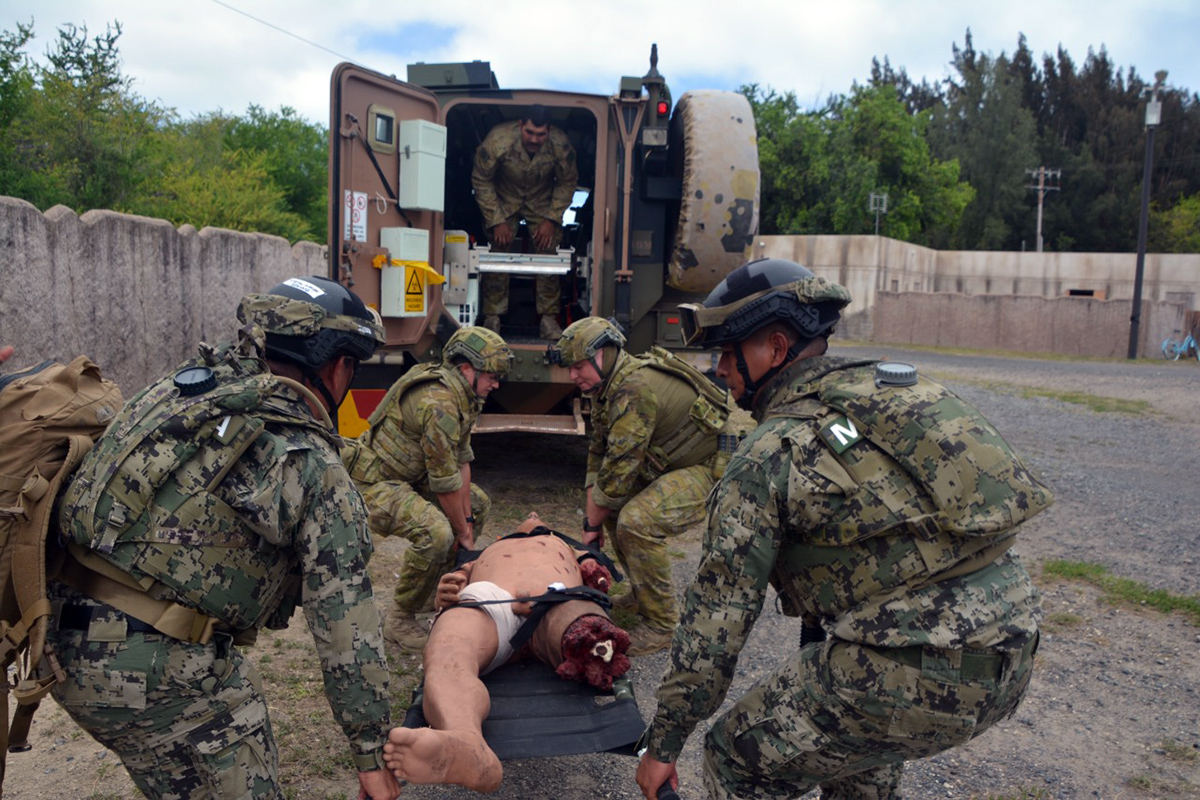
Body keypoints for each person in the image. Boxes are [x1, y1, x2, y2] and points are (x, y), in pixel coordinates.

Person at [635, 258, 1053, 800]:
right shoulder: (882, 402)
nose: (719, 369)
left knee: (737, 755)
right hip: (1011, 659)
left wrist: (662, 745)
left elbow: (716, 626)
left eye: (727, 351)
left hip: (912, 673)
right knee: (858, 750)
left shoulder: (767, 454)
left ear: (777, 349)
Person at [48, 276, 399, 800]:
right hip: (156, 673)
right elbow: (346, 622)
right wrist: (371, 755)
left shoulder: (182, 392)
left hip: (60, 642)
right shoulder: (310, 461)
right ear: (339, 364)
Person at [382, 512, 631, 793]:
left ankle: (591, 644)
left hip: (554, 600)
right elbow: (456, 581)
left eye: (539, 516)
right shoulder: (488, 551)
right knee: (447, 651)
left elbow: (597, 579)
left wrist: (589, 569)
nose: (533, 514)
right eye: (530, 514)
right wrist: (446, 593)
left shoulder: (569, 546)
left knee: (587, 630)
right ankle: (467, 744)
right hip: (489, 600)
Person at [548, 317, 738, 656]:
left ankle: (663, 624)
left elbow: (621, 470)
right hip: (681, 463)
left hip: (713, 467)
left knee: (637, 523)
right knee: (614, 511)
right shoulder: (610, 387)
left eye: (578, 366)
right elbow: (599, 453)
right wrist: (593, 521)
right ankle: (642, 592)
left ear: (603, 355)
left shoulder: (632, 388)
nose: (573, 376)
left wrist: (592, 524)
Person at [344, 326, 513, 652]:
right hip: (374, 484)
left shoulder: (463, 394)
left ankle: (442, 593)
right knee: (437, 531)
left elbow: (461, 462)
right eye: (491, 376)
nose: (496, 384)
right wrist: (462, 533)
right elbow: (444, 482)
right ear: (467, 369)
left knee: (477, 504)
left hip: (410, 479)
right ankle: (401, 620)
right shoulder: (439, 402)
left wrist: (467, 522)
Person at [471, 104, 578, 340]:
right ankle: (493, 317)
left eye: (540, 134)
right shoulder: (498, 140)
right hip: (504, 198)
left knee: (548, 254)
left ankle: (549, 320)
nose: (534, 139)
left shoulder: (560, 145)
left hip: (541, 202)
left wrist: (551, 218)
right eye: (529, 132)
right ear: (520, 125)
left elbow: (568, 182)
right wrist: (496, 219)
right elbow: (481, 180)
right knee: (497, 253)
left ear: (549, 131)